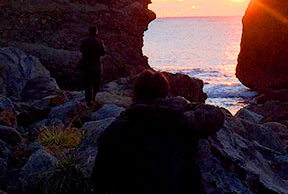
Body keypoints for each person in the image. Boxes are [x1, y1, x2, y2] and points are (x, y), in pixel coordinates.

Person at [91, 69, 225, 194]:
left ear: (134, 95)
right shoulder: (180, 122)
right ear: (166, 94)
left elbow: (99, 181)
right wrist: (182, 104)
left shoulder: (114, 131)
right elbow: (216, 114)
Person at [80, 25, 106, 105]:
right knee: (96, 85)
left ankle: (88, 101)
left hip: (86, 65)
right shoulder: (99, 41)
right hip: (96, 65)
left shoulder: (83, 41)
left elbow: (81, 50)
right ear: (96, 32)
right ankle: (95, 101)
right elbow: (103, 52)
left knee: (87, 84)